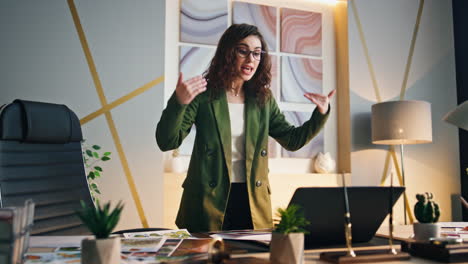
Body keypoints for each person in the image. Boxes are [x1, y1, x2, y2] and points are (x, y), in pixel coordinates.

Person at [156, 23, 335, 232]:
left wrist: (320, 114)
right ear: (227, 52)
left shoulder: (263, 99)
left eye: (257, 53)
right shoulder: (204, 95)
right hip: (207, 201)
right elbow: (167, 141)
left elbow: (292, 140)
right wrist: (179, 102)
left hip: (251, 200)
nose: (251, 59)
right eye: (243, 51)